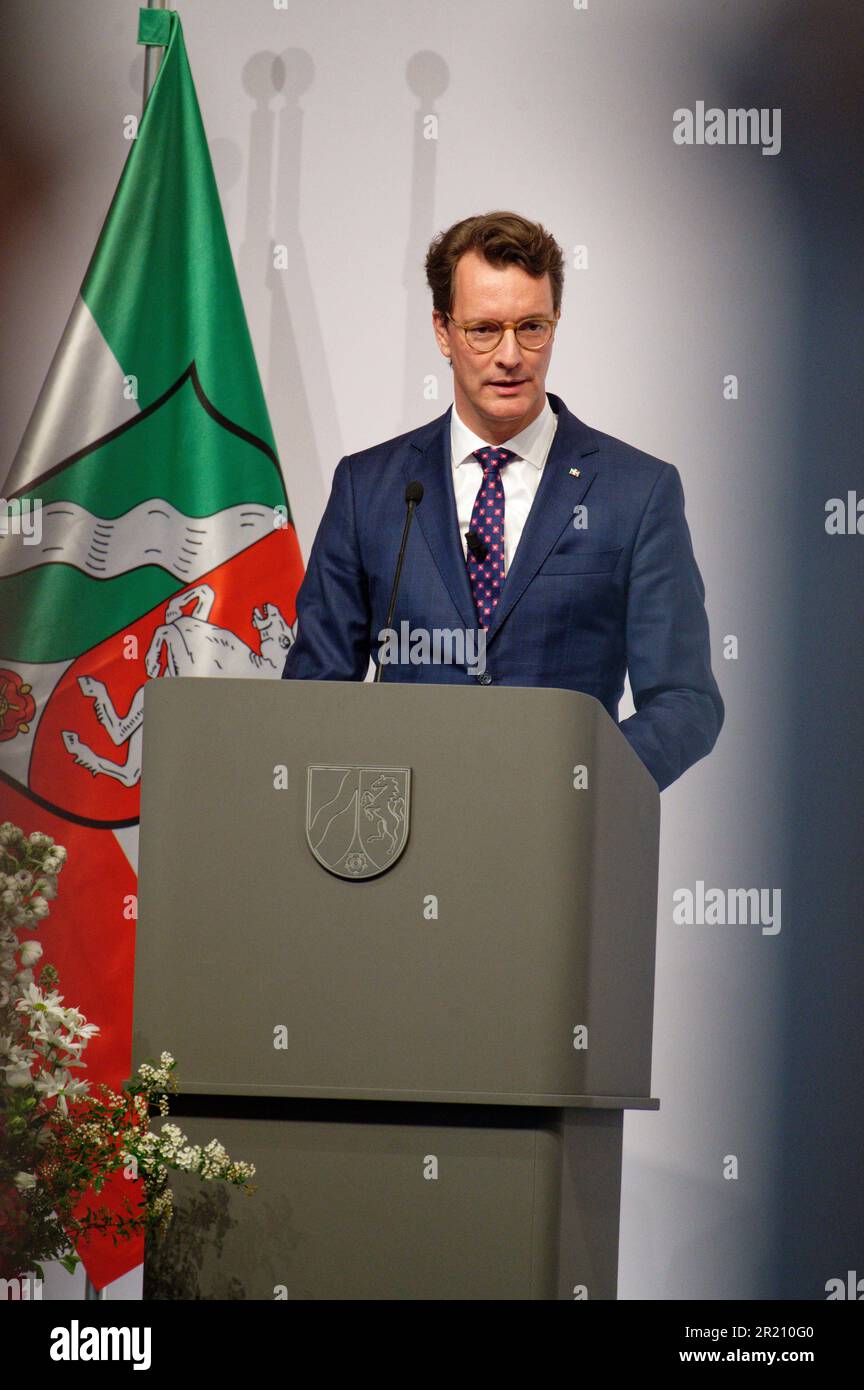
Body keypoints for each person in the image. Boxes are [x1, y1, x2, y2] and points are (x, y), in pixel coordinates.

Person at [282, 210, 723, 791]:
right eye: (484, 329)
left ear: (556, 323)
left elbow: (685, 701)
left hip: (561, 845)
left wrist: (575, 779)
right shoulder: (370, 488)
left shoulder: (637, 491)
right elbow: (315, 692)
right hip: (397, 845)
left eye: (531, 327)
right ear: (443, 330)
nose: (511, 355)